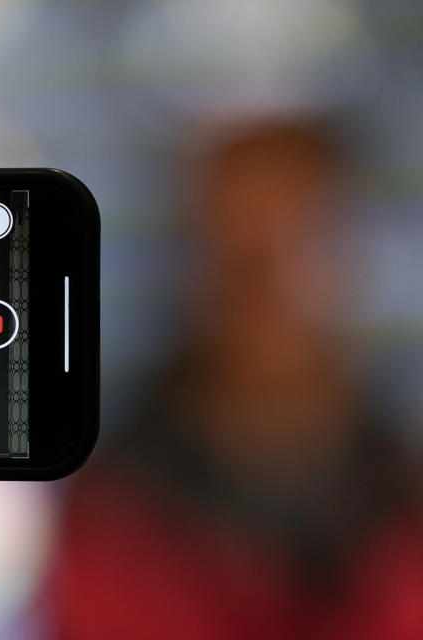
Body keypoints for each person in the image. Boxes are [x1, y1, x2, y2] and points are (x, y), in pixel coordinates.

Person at [38, 119, 423, 639]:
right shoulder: (115, 521)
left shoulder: (399, 505)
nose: (268, 291)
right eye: (240, 257)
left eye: (296, 245)